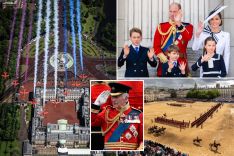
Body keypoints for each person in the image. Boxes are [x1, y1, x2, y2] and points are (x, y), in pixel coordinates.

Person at [91, 82, 143, 150]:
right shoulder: (107, 112)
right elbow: (92, 123)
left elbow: (142, 139)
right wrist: (96, 104)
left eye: (116, 97)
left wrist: (140, 149)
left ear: (126, 97)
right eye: (112, 96)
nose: (113, 100)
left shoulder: (138, 114)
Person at [153, 2, 193, 77]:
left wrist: (179, 24)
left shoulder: (188, 27)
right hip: (164, 62)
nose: (172, 14)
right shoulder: (161, 26)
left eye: (174, 11)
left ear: (180, 12)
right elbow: (156, 47)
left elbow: (188, 37)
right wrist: (165, 60)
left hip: (181, 63)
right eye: (170, 11)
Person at [192, 7, 230, 76]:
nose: (214, 21)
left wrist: (224, 73)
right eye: (212, 19)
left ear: (220, 20)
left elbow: (226, 55)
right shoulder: (203, 34)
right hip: (205, 69)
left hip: (218, 70)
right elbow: (194, 48)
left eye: (217, 19)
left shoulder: (226, 35)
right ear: (209, 21)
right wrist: (197, 34)